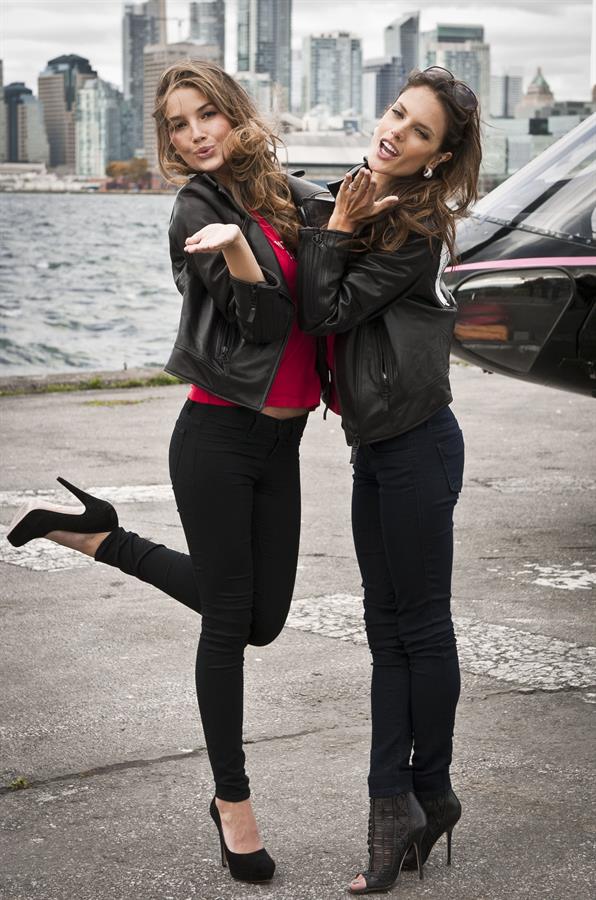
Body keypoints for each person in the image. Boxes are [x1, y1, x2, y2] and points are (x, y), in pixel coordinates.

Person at [7, 61, 331, 886]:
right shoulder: (197, 208)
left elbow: (341, 258)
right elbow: (260, 323)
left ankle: (100, 536)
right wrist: (241, 253)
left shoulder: (288, 195)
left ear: (234, 115)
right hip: (217, 439)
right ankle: (234, 806)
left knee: (264, 619)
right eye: (179, 125)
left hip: (280, 447)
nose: (195, 135)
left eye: (207, 116)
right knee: (228, 626)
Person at [297, 66, 482, 894]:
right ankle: (401, 799)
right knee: (387, 632)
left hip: (418, 448)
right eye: (397, 115)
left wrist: (334, 230)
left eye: (417, 133)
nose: (395, 133)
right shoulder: (363, 194)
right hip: (378, 449)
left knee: (420, 629)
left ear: (438, 159)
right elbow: (300, 206)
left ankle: (420, 792)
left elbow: (327, 310)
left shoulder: (414, 230)